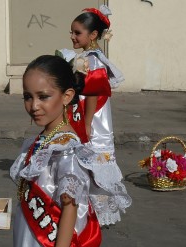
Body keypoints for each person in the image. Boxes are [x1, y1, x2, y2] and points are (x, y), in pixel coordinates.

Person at [0, 55, 128, 247]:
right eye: (27, 97)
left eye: (43, 96)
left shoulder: (67, 150)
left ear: (67, 96)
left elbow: (70, 208)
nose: (34, 106)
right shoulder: (41, 141)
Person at [58, 5, 131, 226]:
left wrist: (87, 123)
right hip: (93, 115)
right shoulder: (91, 56)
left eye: (77, 32)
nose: (72, 36)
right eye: (71, 31)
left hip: (94, 117)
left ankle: (96, 211)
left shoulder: (92, 60)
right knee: (89, 164)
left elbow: (93, 93)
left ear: (93, 35)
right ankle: (90, 208)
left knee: (93, 164)